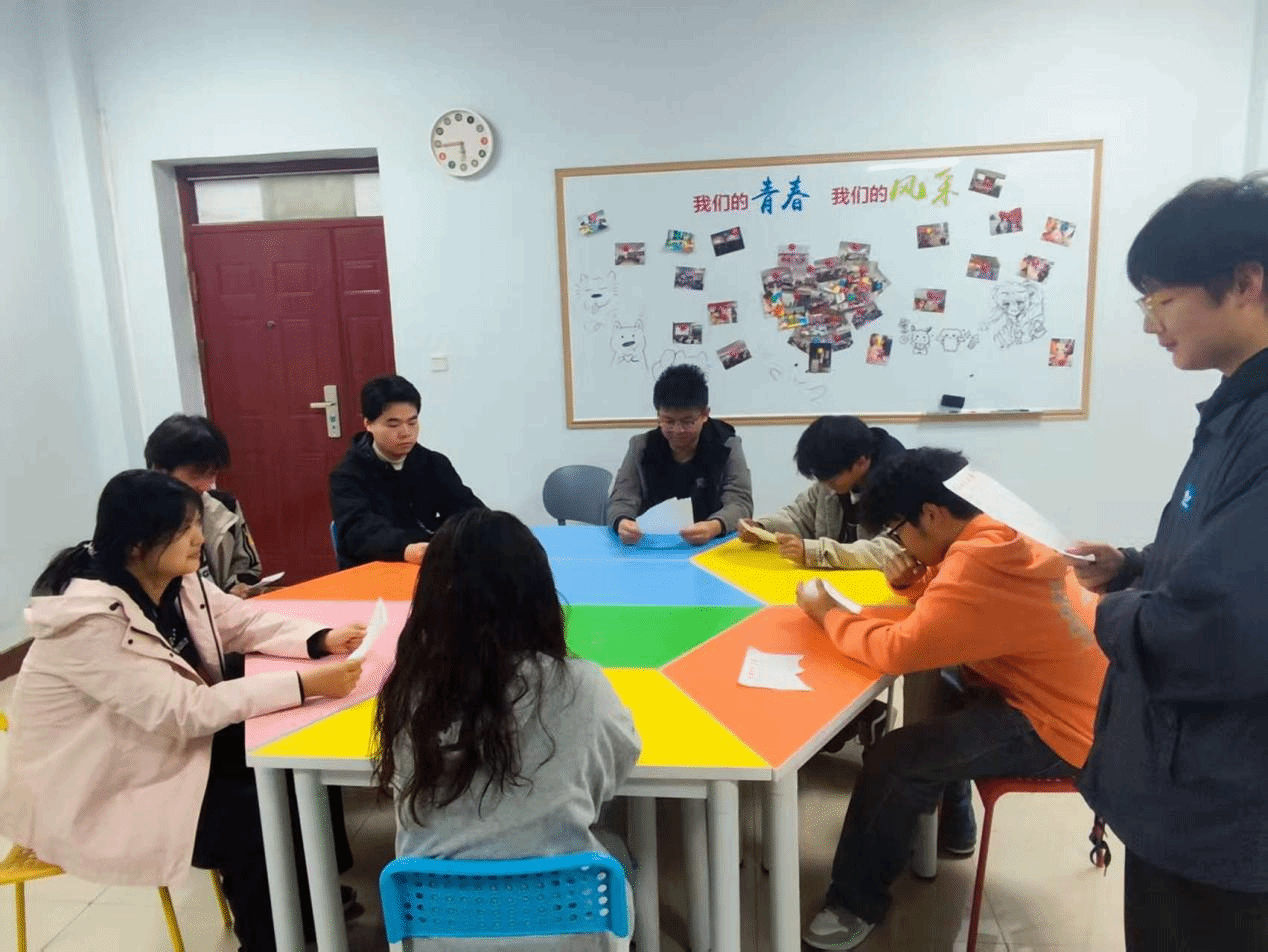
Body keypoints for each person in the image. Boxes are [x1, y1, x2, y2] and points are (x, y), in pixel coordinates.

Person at [0, 470, 367, 952]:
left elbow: (242, 622)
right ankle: (270, 939)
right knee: (254, 815)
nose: (199, 538)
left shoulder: (176, 579)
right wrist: (301, 684)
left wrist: (319, 639)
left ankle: (311, 901)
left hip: (160, 747)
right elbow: (182, 711)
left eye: (196, 524)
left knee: (294, 757)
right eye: (184, 529)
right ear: (137, 544)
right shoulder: (88, 623)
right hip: (108, 782)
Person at [793, 448, 1107, 951]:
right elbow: (960, 615)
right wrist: (914, 581)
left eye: (898, 531)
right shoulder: (998, 530)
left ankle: (854, 902)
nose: (900, 543)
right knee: (944, 690)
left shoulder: (978, 563)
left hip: (1064, 727)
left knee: (898, 758)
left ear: (932, 514)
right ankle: (955, 825)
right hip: (1083, 700)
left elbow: (898, 650)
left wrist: (827, 612)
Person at [1068, 175, 1268, 952]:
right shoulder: (1236, 409)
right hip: (1186, 789)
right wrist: (1132, 567)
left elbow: (1219, 628)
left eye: (1162, 298)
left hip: (1225, 812)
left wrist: (1099, 612)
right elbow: (1220, 555)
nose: (1151, 323)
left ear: (1245, 283)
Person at [373, 509, 642, 950]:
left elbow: (402, 785)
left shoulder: (408, 692)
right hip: (563, 930)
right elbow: (613, 773)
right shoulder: (582, 686)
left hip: (438, 934)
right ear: (539, 595)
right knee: (619, 856)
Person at [329, 375, 485, 567]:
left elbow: (466, 508)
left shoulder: (433, 463)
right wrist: (406, 548)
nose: (406, 432)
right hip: (375, 566)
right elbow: (358, 531)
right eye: (393, 424)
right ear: (368, 424)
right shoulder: (347, 474)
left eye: (412, 422)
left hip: (428, 562)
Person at [607, 364, 753, 546]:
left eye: (688, 422)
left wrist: (715, 526)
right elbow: (621, 499)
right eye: (668, 421)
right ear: (658, 415)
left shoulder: (727, 445)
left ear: (705, 414)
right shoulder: (641, 447)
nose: (678, 430)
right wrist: (623, 522)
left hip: (712, 544)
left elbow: (740, 502)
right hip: (650, 543)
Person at [738, 415, 904, 570]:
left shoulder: (900, 486)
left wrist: (816, 552)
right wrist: (762, 527)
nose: (826, 488)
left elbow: (889, 550)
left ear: (861, 462)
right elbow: (800, 515)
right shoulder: (832, 480)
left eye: (832, 481)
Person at [145, 413, 261, 596]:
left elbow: (248, 566)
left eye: (212, 474)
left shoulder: (225, 507)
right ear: (160, 470)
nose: (206, 485)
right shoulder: (140, 516)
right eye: (196, 474)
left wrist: (237, 587)